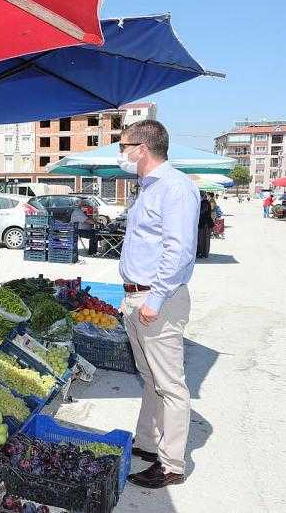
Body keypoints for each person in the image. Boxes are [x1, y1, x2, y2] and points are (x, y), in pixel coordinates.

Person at [117, 120, 199, 489]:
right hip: (138, 295)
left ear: (142, 149)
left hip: (156, 299)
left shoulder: (175, 188)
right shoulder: (146, 188)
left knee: (170, 384)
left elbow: (178, 250)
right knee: (150, 377)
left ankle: (171, 464)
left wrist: (155, 297)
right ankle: (150, 444)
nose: (122, 154)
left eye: (124, 147)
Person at [196, 192, 213, 258]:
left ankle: (203, 253)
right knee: (202, 239)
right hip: (203, 224)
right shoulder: (203, 202)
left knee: (204, 239)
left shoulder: (205, 203)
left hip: (205, 224)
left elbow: (202, 212)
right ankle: (202, 252)